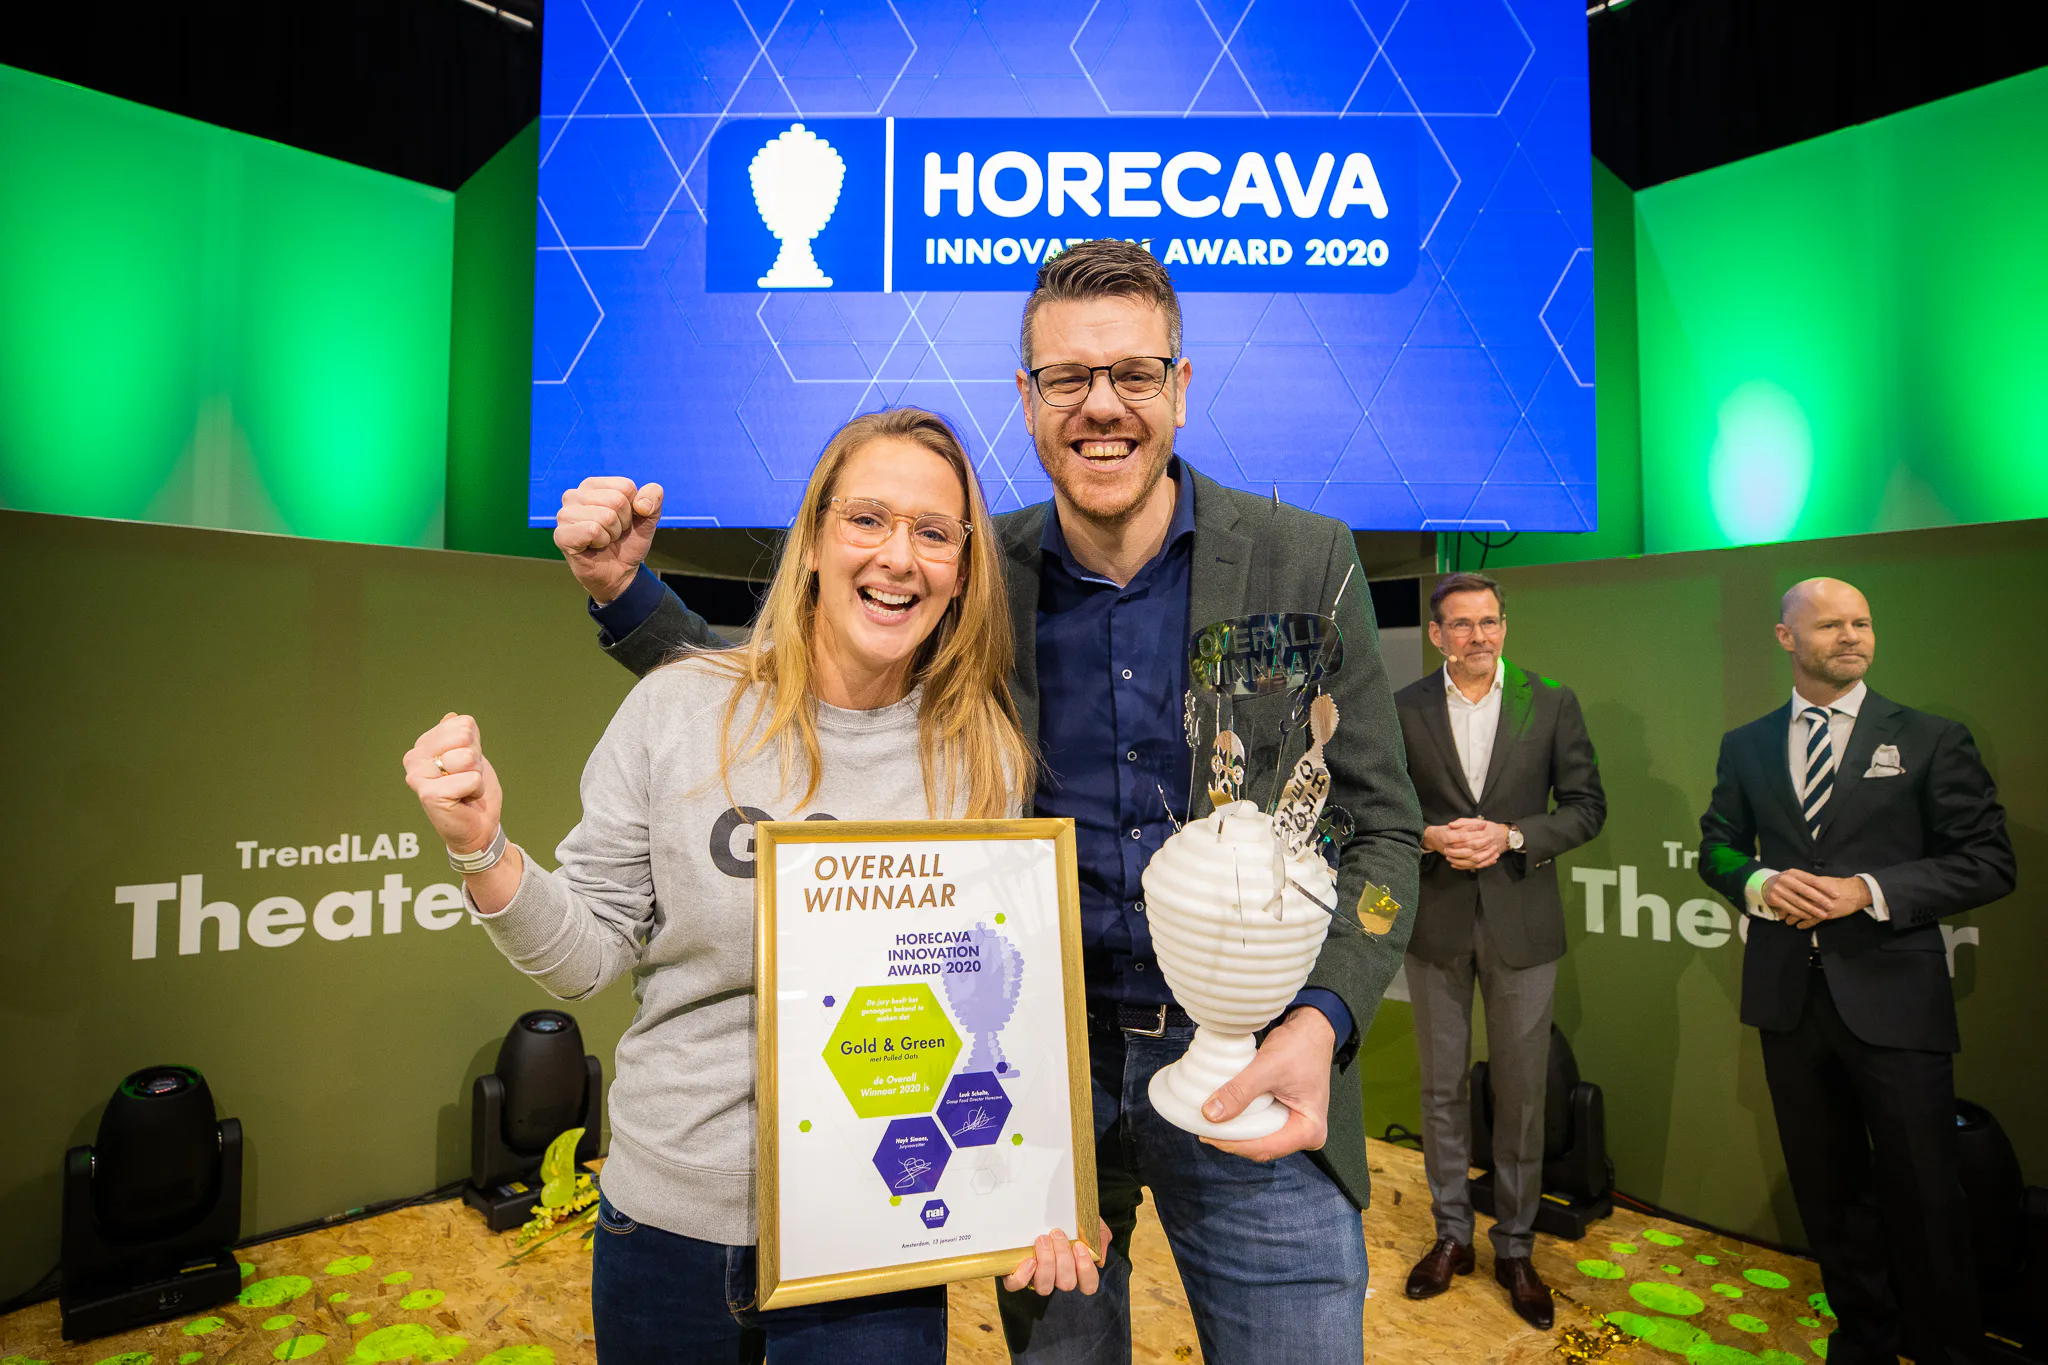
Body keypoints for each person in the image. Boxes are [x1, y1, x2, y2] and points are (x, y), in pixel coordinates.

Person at [550, 240, 1423, 1365]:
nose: (1100, 406)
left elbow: (1382, 831)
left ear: (1179, 386)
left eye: (1133, 374)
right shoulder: (969, 570)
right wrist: (626, 594)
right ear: (1026, 397)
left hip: (1255, 1061)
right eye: (1066, 378)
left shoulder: (1304, 561)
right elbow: (796, 684)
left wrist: (1322, 1021)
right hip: (1033, 1083)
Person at [402, 408, 1104, 1365]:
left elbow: (997, 1017)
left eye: (935, 533)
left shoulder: (979, 757)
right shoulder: (679, 708)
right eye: (867, 519)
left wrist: (1030, 1196)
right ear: (812, 539)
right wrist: (483, 848)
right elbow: (585, 957)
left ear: (963, 570)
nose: (899, 557)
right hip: (669, 1230)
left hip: (876, 1233)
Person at [1697, 577, 2014, 1365]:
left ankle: (1948, 1350)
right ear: (1786, 638)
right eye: (1831, 624)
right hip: (1788, 1002)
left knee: (1926, 1194)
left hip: (1896, 1001)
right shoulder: (1747, 743)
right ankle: (1865, 1340)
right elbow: (1718, 848)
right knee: (1828, 1193)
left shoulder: (1931, 737)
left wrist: (1868, 890)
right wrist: (1759, 882)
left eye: (1862, 622)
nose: (1851, 636)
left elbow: (1987, 860)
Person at [1391, 572, 1604, 1329]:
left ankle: (1515, 1245)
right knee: (1441, 1089)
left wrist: (1513, 835)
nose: (1477, 636)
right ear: (1436, 634)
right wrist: (1427, 835)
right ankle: (1452, 1234)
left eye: (1489, 622)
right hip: (1436, 922)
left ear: (1504, 627)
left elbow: (1586, 808)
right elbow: (1379, 805)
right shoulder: (1404, 708)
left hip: (1523, 921)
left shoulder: (1552, 702)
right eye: (1461, 624)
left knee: (1522, 1094)